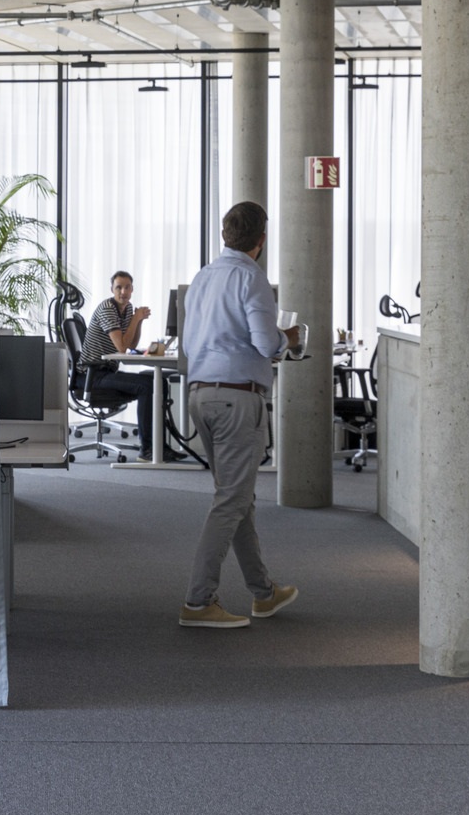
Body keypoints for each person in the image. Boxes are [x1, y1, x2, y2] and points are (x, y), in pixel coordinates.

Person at [175, 201, 302, 629]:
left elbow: (188, 345)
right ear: (261, 240)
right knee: (231, 501)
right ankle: (198, 602)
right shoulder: (252, 278)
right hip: (236, 399)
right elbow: (266, 343)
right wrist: (289, 339)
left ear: (224, 235)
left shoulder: (202, 278)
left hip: (200, 395)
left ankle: (263, 593)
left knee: (238, 497)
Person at [79, 270, 163, 462]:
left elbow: (131, 345)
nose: (123, 292)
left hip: (106, 372)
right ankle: (147, 449)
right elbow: (123, 348)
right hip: (92, 375)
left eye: (127, 287)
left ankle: (160, 447)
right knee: (147, 386)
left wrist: (138, 321)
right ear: (112, 289)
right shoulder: (108, 308)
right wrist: (136, 318)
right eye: (119, 287)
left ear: (132, 290)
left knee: (158, 383)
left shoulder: (127, 309)